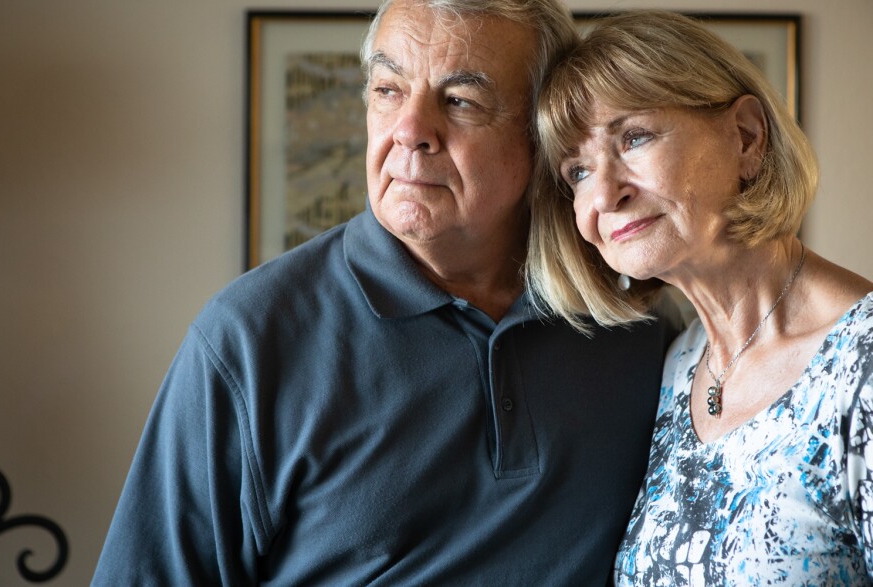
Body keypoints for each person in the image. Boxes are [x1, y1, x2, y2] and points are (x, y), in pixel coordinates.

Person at [92, 1, 681, 584]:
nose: (409, 131)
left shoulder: (635, 313)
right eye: (388, 90)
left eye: (460, 101)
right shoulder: (248, 339)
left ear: (541, 134)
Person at [526, 9, 873, 585]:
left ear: (746, 138)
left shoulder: (861, 368)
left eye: (633, 137)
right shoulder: (675, 364)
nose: (604, 194)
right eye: (577, 172)